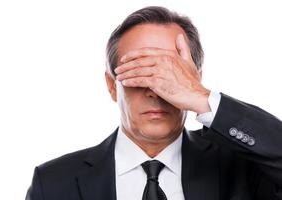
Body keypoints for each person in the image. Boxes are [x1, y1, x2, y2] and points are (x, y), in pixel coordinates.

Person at [25, 6, 282, 200]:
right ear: (112, 85)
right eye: (139, 72)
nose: (156, 90)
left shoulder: (241, 166)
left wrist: (202, 98)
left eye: (171, 74)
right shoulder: (54, 183)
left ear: (193, 80)